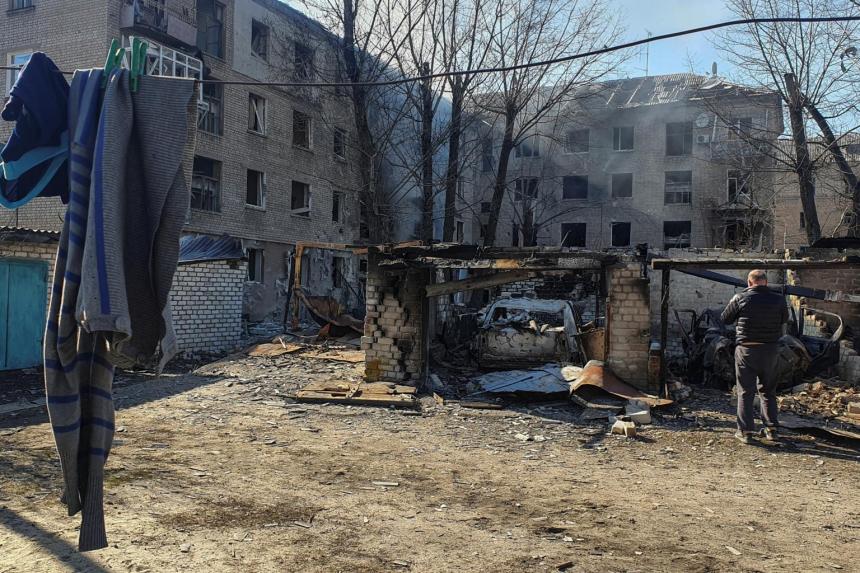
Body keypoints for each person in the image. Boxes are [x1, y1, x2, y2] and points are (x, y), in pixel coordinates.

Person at [720, 269, 789, 444]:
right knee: (768, 391)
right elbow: (783, 320)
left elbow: (725, 319)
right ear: (766, 282)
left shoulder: (740, 297)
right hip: (771, 350)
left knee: (745, 392)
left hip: (747, 350)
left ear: (750, 283)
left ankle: (745, 432)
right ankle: (772, 430)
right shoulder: (779, 300)